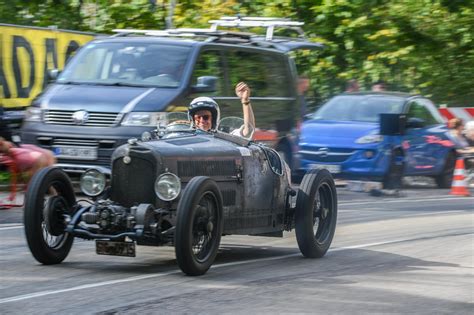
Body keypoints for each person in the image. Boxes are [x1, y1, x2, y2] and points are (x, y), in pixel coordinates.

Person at [188, 81, 255, 138]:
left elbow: (248, 130)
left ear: (213, 118)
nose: (201, 121)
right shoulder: (186, 137)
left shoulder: (224, 136)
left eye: (206, 117)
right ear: (193, 120)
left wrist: (245, 101)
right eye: (198, 118)